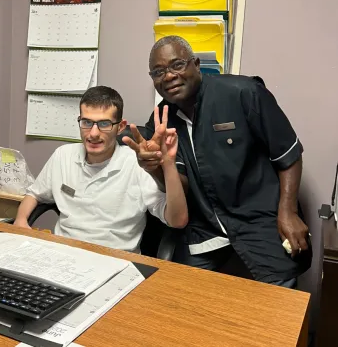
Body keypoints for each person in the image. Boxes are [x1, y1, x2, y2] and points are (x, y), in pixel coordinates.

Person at [124, 35, 311, 288]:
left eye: (177, 65)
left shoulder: (244, 93)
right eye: (158, 71)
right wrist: (156, 167)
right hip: (206, 224)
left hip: (258, 218)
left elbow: (288, 154)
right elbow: (181, 186)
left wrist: (288, 212)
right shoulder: (162, 119)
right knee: (177, 290)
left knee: (279, 300)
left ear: (197, 64)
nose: (168, 76)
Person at [14, 86, 188, 253]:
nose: (93, 133)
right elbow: (34, 194)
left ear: (120, 127)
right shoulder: (63, 156)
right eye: (87, 122)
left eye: (104, 124)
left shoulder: (137, 163)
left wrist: (168, 163)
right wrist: (21, 220)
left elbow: (178, 220)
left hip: (116, 259)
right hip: (63, 253)